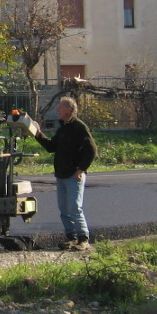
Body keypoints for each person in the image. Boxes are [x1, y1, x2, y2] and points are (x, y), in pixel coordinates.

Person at [33, 96, 97, 250]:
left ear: (69, 109)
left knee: (75, 207)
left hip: (73, 175)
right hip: (61, 174)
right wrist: (38, 134)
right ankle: (72, 238)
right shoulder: (63, 128)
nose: (57, 110)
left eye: (60, 107)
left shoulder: (79, 127)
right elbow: (51, 147)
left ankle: (83, 239)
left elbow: (92, 149)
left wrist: (81, 169)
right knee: (64, 209)